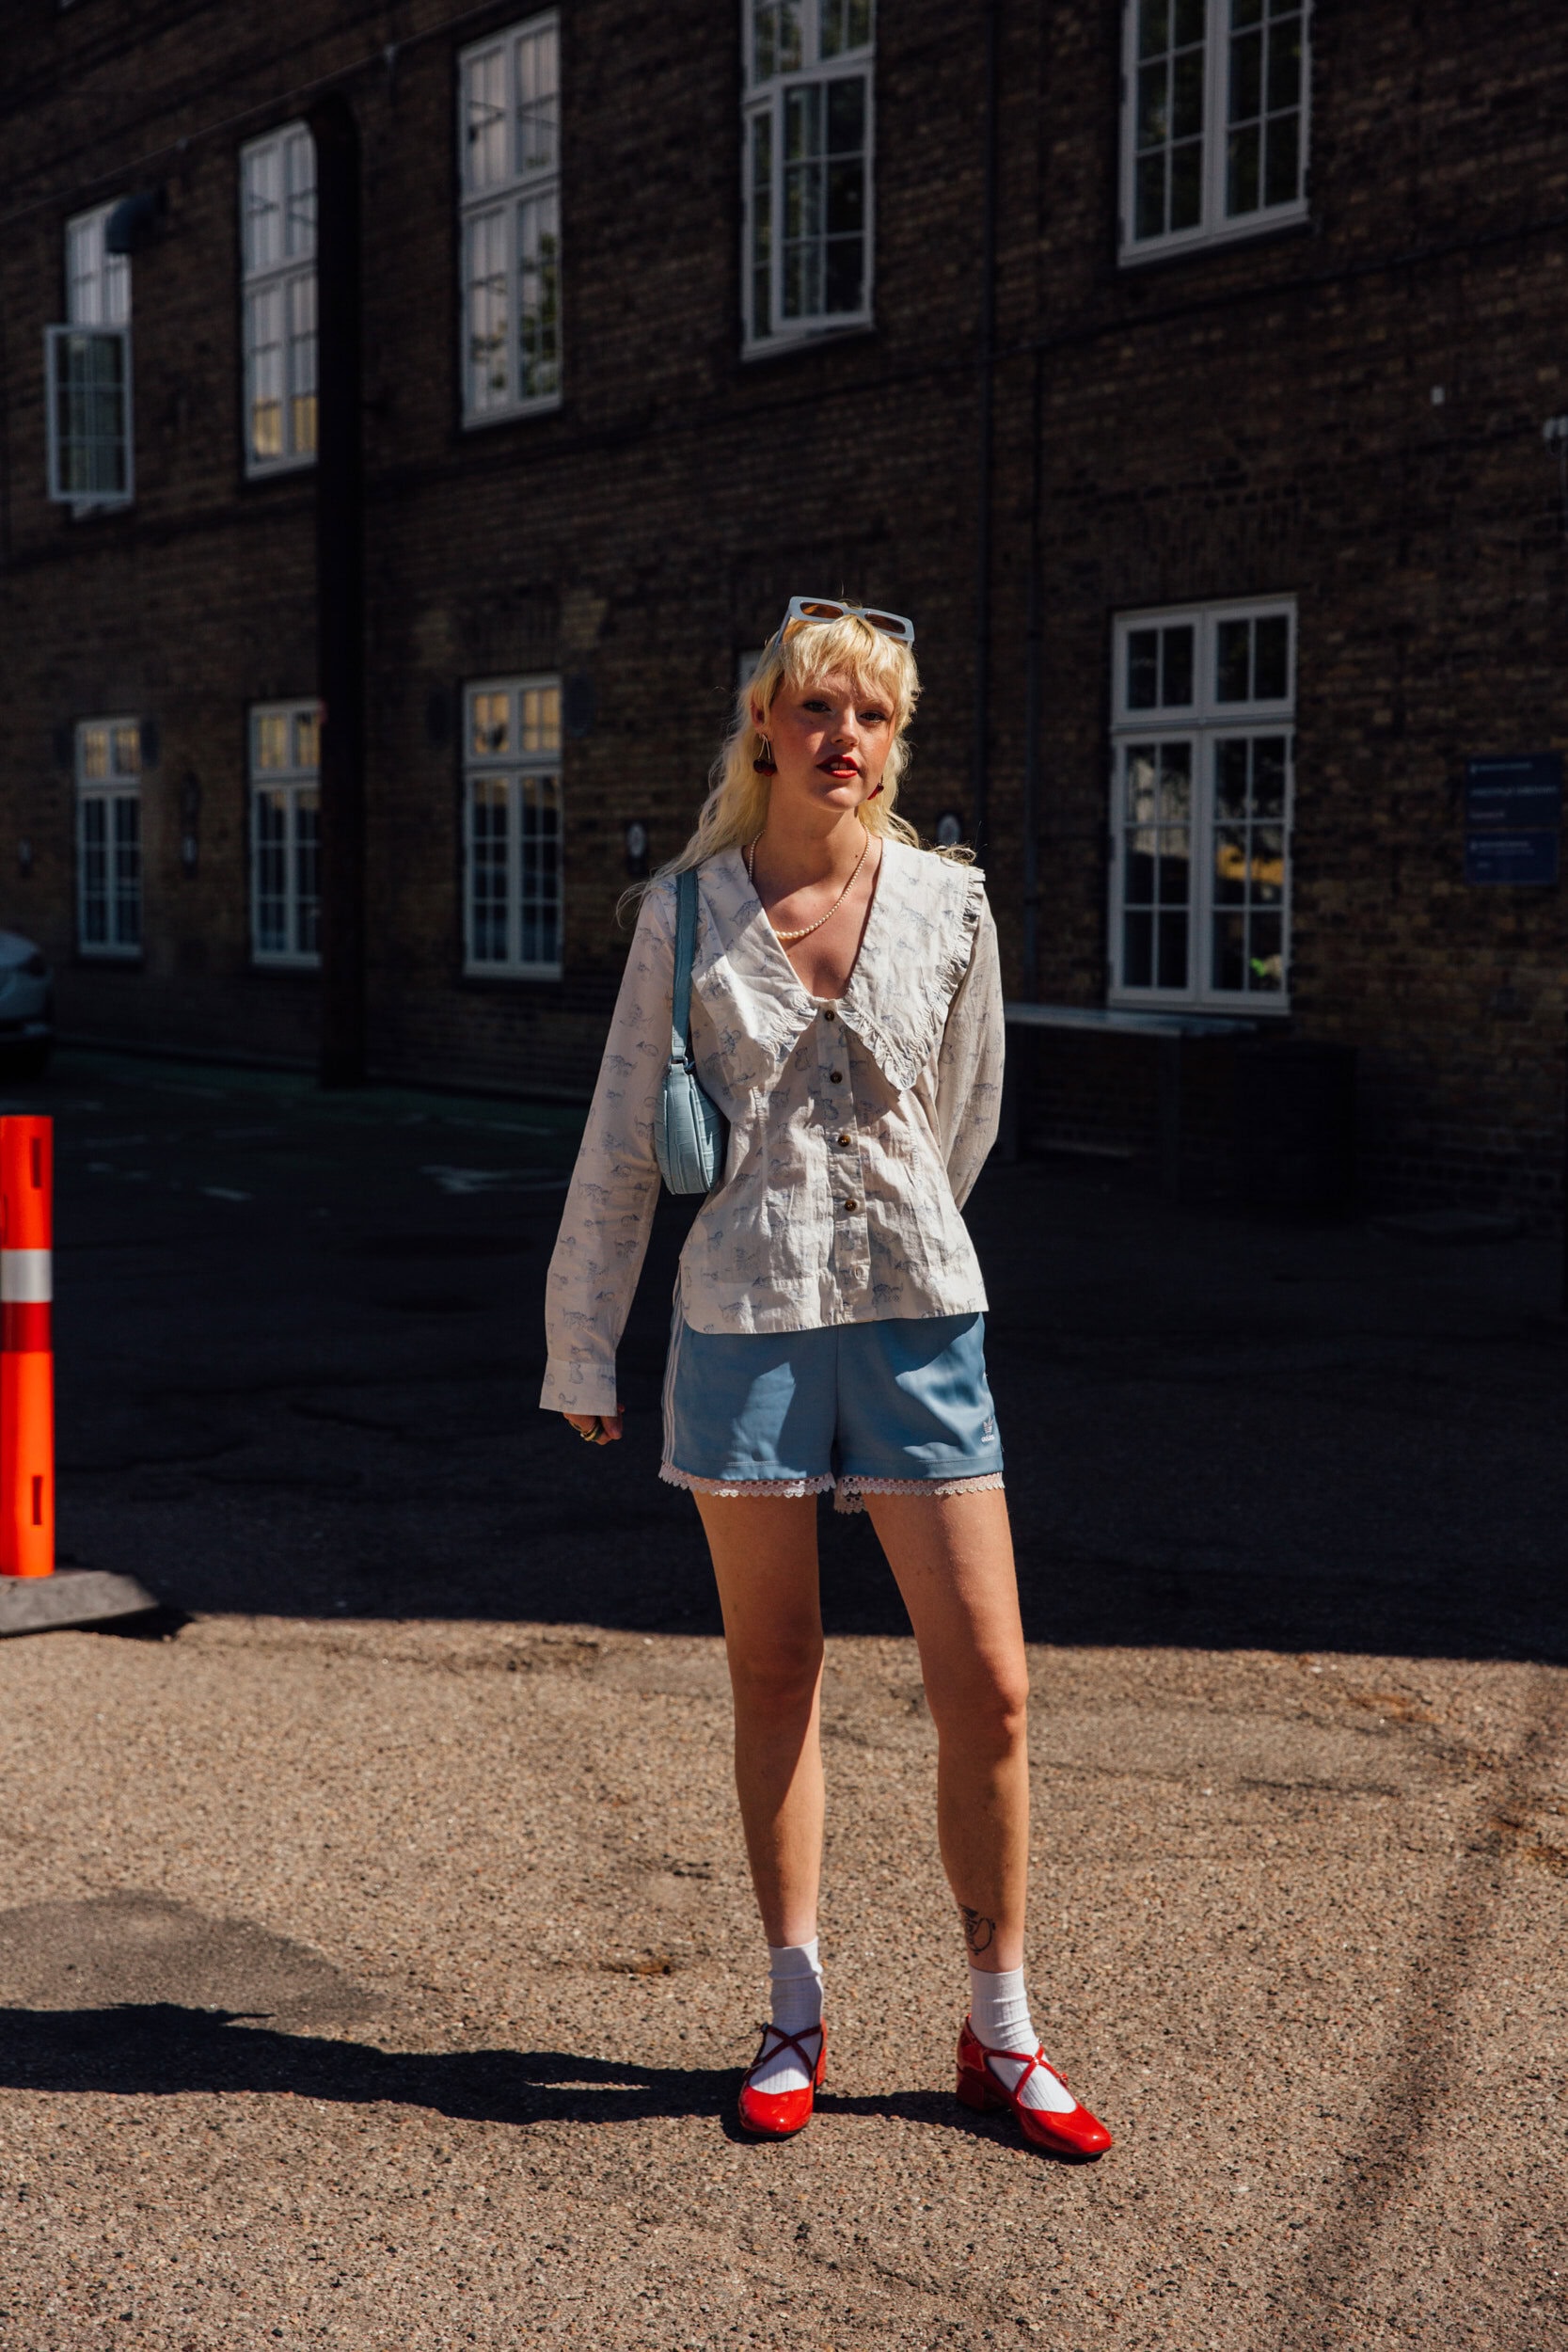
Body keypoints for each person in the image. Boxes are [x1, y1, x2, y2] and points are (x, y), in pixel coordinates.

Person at [541, 597, 1111, 2158]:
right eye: (815, 707)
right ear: (764, 728)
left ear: (893, 736)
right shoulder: (684, 915)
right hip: (742, 1323)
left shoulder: (950, 905)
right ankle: (794, 2011)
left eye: (870, 713)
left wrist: (894, 1231)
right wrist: (584, 1341)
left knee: (989, 1686)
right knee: (777, 1668)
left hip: (920, 1318)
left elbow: (966, 1117)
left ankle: (1001, 2029)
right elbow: (619, 1141)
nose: (841, 735)